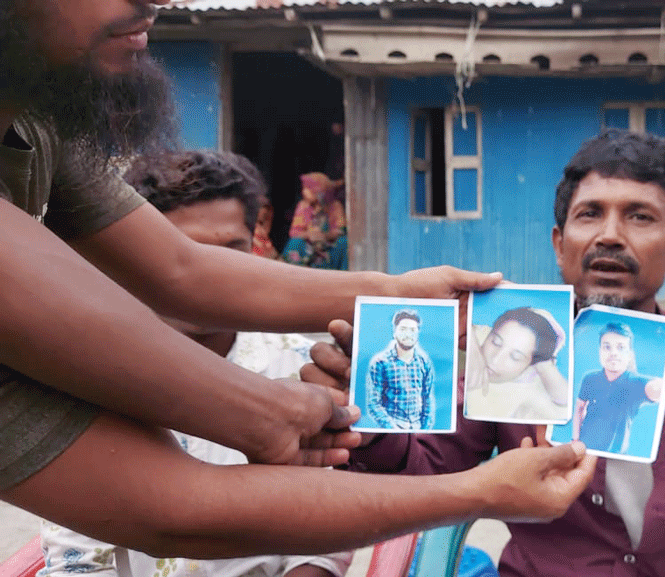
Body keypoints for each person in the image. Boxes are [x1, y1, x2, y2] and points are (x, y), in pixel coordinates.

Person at [0, 0, 596, 556]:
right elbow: (179, 507)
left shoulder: (33, 129)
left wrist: (395, 293)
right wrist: (263, 412)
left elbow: (182, 270)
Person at [311, 129, 665, 576]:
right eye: (591, 214)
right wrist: (368, 414)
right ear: (560, 245)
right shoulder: (510, 348)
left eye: (640, 217)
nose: (611, 235)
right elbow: (422, 468)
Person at [40, 149, 352, 577]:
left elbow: (326, 530)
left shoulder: (306, 369)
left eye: (234, 249)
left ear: (256, 241)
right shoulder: (89, 376)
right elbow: (75, 556)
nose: (221, 272)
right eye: (195, 256)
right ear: (138, 256)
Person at [464, 306, 569, 421]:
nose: (495, 360)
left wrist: (545, 365)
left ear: (530, 366)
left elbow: (564, 401)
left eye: (515, 357)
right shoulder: (475, 337)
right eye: (495, 342)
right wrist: (470, 341)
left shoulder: (529, 391)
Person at [574, 322, 662, 453]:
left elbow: (657, 388)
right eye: (607, 347)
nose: (613, 353)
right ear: (600, 351)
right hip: (583, 450)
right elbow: (579, 408)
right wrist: (575, 440)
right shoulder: (590, 379)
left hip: (616, 456)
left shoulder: (636, 383)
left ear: (630, 354)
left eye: (621, 348)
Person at [367, 309, 435, 430]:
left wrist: (424, 429)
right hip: (392, 427)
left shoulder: (424, 362)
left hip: (418, 427)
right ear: (394, 332)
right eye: (403, 329)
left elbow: (427, 397)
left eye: (413, 330)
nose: (408, 334)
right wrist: (394, 429)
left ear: (418, 333)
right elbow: (373, 403)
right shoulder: (380, 362)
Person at [281, 172, 347, 269]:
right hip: (308, 244)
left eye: (307, 189)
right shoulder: (303, 206)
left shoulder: (335, 206)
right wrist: (309, 234)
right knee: (294, 242)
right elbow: (294, 232)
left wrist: (325, 236)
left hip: (329, 244)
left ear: (319, 191)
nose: (303, 192)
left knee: (344, 242)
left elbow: (341, 230)